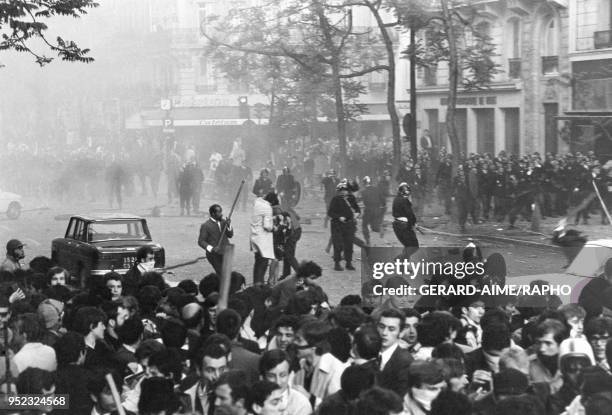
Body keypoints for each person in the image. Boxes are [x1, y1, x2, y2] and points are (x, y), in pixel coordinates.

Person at [259, 349, 312, 415]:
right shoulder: (252, 400)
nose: (278, 382)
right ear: (262, 378)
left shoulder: (301, 404)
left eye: (282, 375)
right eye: (271, 376)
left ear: (289, 375)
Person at [377, 308, 414, 395]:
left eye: (391, 329)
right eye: (382, 327)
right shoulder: (371, 354)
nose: (384, 333)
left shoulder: (405, 361)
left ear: (401, 333)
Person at [328, 182, 358, 271]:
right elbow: (330, 212)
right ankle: (337, 264)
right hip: (337, 225)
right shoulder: (335, 199)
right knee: (338, 244)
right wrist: (338, 217)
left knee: (349, 244)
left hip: (349, 224)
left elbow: (357, 209)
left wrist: (357, 214)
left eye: (346, 190)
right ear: (339, 191)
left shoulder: (352, 198)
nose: (345, 192)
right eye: (343, 190)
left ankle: (348, 263)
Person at [198, 204, 234, 275]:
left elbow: (230, 235)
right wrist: (211, 248)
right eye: (219, 212)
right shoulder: (206, 225)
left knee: (227, 274)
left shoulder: (224, 222)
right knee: (221, 273)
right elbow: (201, 241)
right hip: (214, 255)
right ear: (213, 214)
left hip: (225, 252)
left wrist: (229, 225)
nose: (221, 214)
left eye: (221, 212)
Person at [251, 192, 277, 285]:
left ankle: (256, 283)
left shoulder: (257, 203)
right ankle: (259, 284)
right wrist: (273, 227)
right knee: (263, 263)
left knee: (257, 262)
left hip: (254, 237)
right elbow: (267, 226)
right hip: (263, 239)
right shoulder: (268, 208)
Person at [392, 183, 419, 260]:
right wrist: (414, 223)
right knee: (414, 246)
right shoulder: (404, 200)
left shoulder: (396, 198)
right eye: (407, 192)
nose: (408, 194)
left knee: (407, 246)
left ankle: (402, 267)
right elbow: (409, 214)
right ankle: (399, 259)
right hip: (404, 226)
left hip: (397, 225)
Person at [360, 176, 385, 246]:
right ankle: (380, 229)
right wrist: (382, 206)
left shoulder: (363, 192)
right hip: (377, 210)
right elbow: (383, 200)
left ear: (364, 183)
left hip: (368, 210)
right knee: (374, 227)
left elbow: (360, 200)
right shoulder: (377, 189)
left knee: (364, 225)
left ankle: (367, 240)